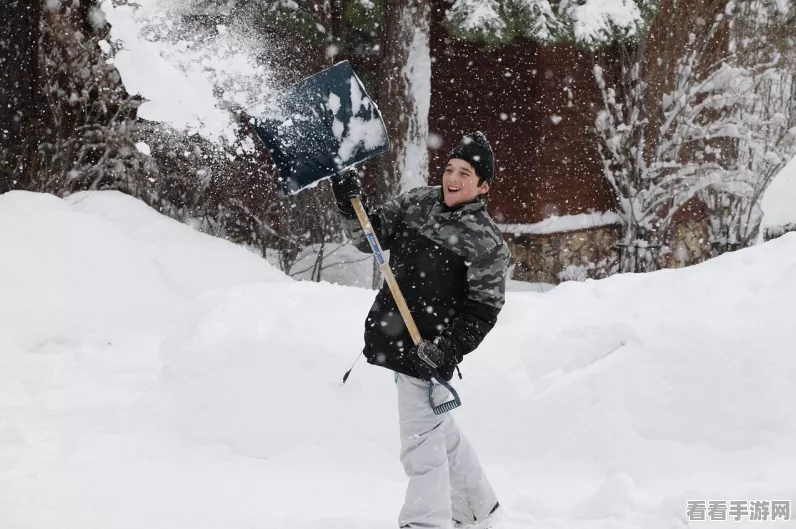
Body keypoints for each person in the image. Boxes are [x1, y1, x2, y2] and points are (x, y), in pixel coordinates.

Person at [332, 131, 510, 529]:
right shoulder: (418, 203)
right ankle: (479, 509)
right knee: (436, 429)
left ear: (482, 187)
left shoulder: (487, 242)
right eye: (450, 168)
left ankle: (425, 522)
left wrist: (447, 349)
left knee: (421, 443)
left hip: (427, 350)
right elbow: (369, 238)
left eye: (466, 173)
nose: (453, 177)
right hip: (397, 337)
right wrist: (349, 204)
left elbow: (483, 310)